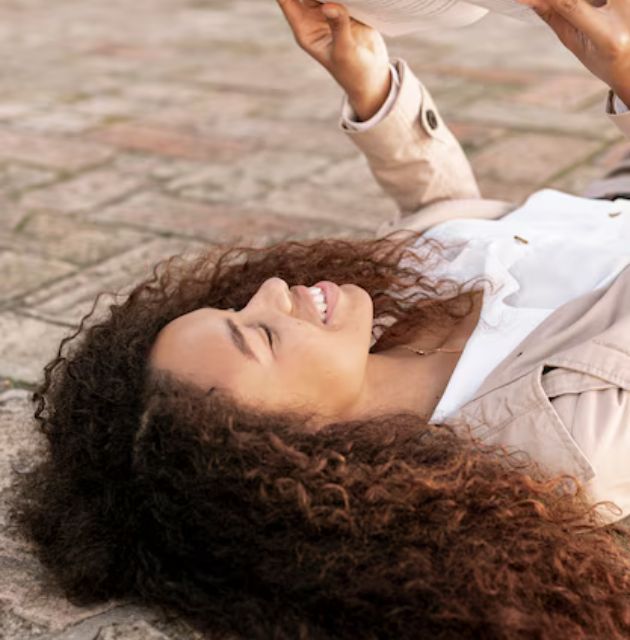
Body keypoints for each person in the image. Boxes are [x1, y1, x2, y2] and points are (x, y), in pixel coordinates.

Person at [8, 1, 630, 638]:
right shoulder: (576, 438)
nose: (274, 289)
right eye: (264, 334)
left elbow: (450, 221)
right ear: (306, 447)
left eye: (237, 308)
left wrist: (370, 85)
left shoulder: (380, 331)